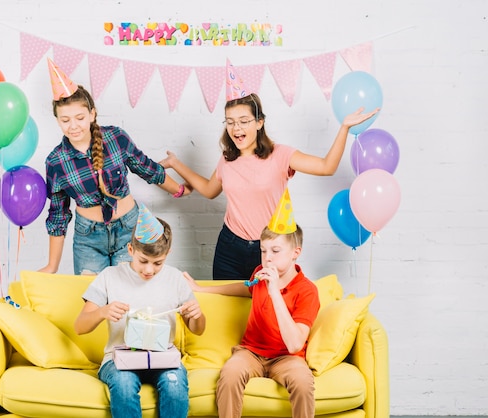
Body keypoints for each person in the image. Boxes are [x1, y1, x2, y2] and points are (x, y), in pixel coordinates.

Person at [160, 63, 379, 280]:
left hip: (269, 250)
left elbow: (326, 167)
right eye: (230, 122)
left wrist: (344, 128)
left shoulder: (281, 155)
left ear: (259, 122)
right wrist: (176, 163)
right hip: (229, 247)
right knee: (227, 311)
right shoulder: (227, 159)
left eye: (244, 121)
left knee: (265, 310)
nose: (236, 129)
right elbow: (209, 190)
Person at [39, 58, 189, 275]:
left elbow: (146, 168)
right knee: (93, 299)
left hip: (128, 229)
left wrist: (179, 190)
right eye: (65, 120)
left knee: (128, 298)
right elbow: (58, 215)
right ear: (58, 121)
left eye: (79, 117)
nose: (73, 126)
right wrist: (52, 266)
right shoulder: (56, 161)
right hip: (88, 238)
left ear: (91, 114)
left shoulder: (115, 137)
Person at [183, 189, 319, 418]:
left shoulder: (307, 291)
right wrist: (201, 288)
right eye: (263, 251)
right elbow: (245, 287)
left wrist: (274, 291)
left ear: (296, 252)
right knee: (229, 374)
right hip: (251, 353)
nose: (267, 258)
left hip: (287, 358)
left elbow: (295, 344)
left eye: (276, 251)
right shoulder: (260, 273)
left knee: (304, 384)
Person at [74, 203, 206, 418]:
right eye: (143, 261)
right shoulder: (109, 276)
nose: (149, 270)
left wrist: (197, 315)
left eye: (158, 263)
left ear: (168, 254)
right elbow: (79, 327)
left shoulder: (175, 278)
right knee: (124, 387)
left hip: (164, 358)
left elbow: (198, 330)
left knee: (174, 387)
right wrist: (102, 312)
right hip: (118, 358)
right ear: (130, 250)